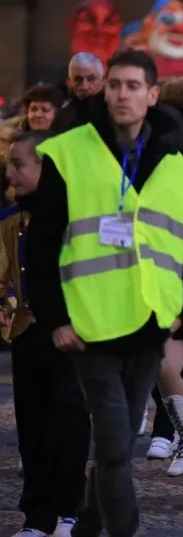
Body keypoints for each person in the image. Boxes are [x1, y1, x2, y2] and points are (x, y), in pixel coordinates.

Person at [26, 49, 183, 537]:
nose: (122, 94)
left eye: (132, 86)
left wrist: (182, 308)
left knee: (115, 446)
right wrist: (54, 317)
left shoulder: (170, 157)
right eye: (115, 85)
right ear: (105, 90)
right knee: (116, 446)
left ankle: (85, 529)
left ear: (152, 94)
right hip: (90, 322)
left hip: (148, 318)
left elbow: (179, 237)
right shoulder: (71, 150)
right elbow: (42, 244)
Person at [3, 130, 90, 537]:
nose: (10, 172)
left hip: (72, 332)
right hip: (26, 332)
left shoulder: (75, 216)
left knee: (69, 422)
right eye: (9, 164)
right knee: (32, 425)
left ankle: (70, 510)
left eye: (19, 164)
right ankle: (36, 515)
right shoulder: (10, 219)